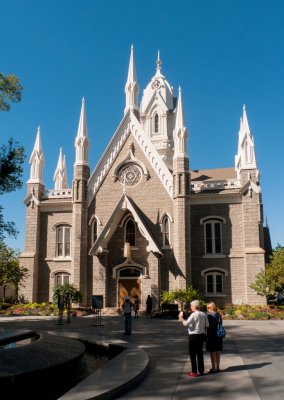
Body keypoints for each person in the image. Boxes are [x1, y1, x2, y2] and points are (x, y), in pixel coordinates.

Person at [178, 300, 206, 377]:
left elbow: (186, 323)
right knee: (200, 353)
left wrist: (181, 318)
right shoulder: (203, 314)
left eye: (191, 306)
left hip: (193, 335)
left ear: (195, 306)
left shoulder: (194, 315)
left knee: (193, 353)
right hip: (201, 334)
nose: (190, 307)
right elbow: (207, 324)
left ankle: (194, 371)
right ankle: (201, 370)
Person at [205, 302, 223, 373]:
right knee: (218, 352)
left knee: (212, 352)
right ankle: (218, 367)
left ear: (212, 308)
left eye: (208, 308)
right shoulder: (218, 314)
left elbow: (208, 326)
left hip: (211, 335)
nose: (207, 309)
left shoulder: (209, 316)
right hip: (219, 335)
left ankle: (213, 368)